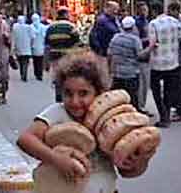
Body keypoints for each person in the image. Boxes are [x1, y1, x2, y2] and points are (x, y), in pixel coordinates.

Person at [17, 52, 125, 193]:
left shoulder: (108, 120)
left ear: (99, 93)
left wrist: (134, 161)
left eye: (83, 93)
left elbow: (127, 169)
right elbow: (25, 139)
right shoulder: (57, 112)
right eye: (68, 93)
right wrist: (56, 159)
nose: (74, 102)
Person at [149, 2, 181, 128]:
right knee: (169, 90)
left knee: (156, 90)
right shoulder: (175, 22)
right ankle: (167, 114)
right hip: (173, 62)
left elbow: (152, 42)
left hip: (157, 63)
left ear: (154, 11)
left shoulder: (153, 24)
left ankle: (163, 116)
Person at [108, 16, 154, 111]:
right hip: (131, 73)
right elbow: (140, 55)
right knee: (133, 98)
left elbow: (110, 54)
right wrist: (150, 48)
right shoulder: (134, 39)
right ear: (133, 27)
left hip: (118, 73)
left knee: (118, 99)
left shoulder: (115, 38)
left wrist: (110, 70)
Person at [45, 7, 81, 102]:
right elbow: (77, 41)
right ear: (65, 15)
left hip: (55, 55)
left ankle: (58, 97)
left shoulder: (51, 27)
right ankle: (67, 95)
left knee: (58, 76)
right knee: (67, 76)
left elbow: (47, 42)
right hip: (67, 56)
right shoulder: (71, 26)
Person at [134, 2, 153, 117]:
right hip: (142, 56)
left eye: (146, 10)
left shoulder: (146, 22)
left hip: (147, 56)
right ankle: (140, 106)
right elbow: (136, 40)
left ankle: (142, 105)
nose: (145, 12)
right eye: (143, 10)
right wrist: (149, 40)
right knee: (142, 83)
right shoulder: (137, 23)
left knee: (145, 83)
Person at [12, 15, 34, 82]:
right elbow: (32, 36)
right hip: (27, 47)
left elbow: (13, 37)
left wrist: (13, 46)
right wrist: (31, 44)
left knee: (21, 61)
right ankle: (24, 74)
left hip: (19, 47)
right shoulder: (28, 27)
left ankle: (22, 73)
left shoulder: (15, 27)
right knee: (25, 62)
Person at [31, 13, 49, 81]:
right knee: (38, 61)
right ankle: (38, 74)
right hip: (39, 46)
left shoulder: (32, 27)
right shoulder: (42, 27)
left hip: (37, 46)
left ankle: (38, 74)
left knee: (37, 61)